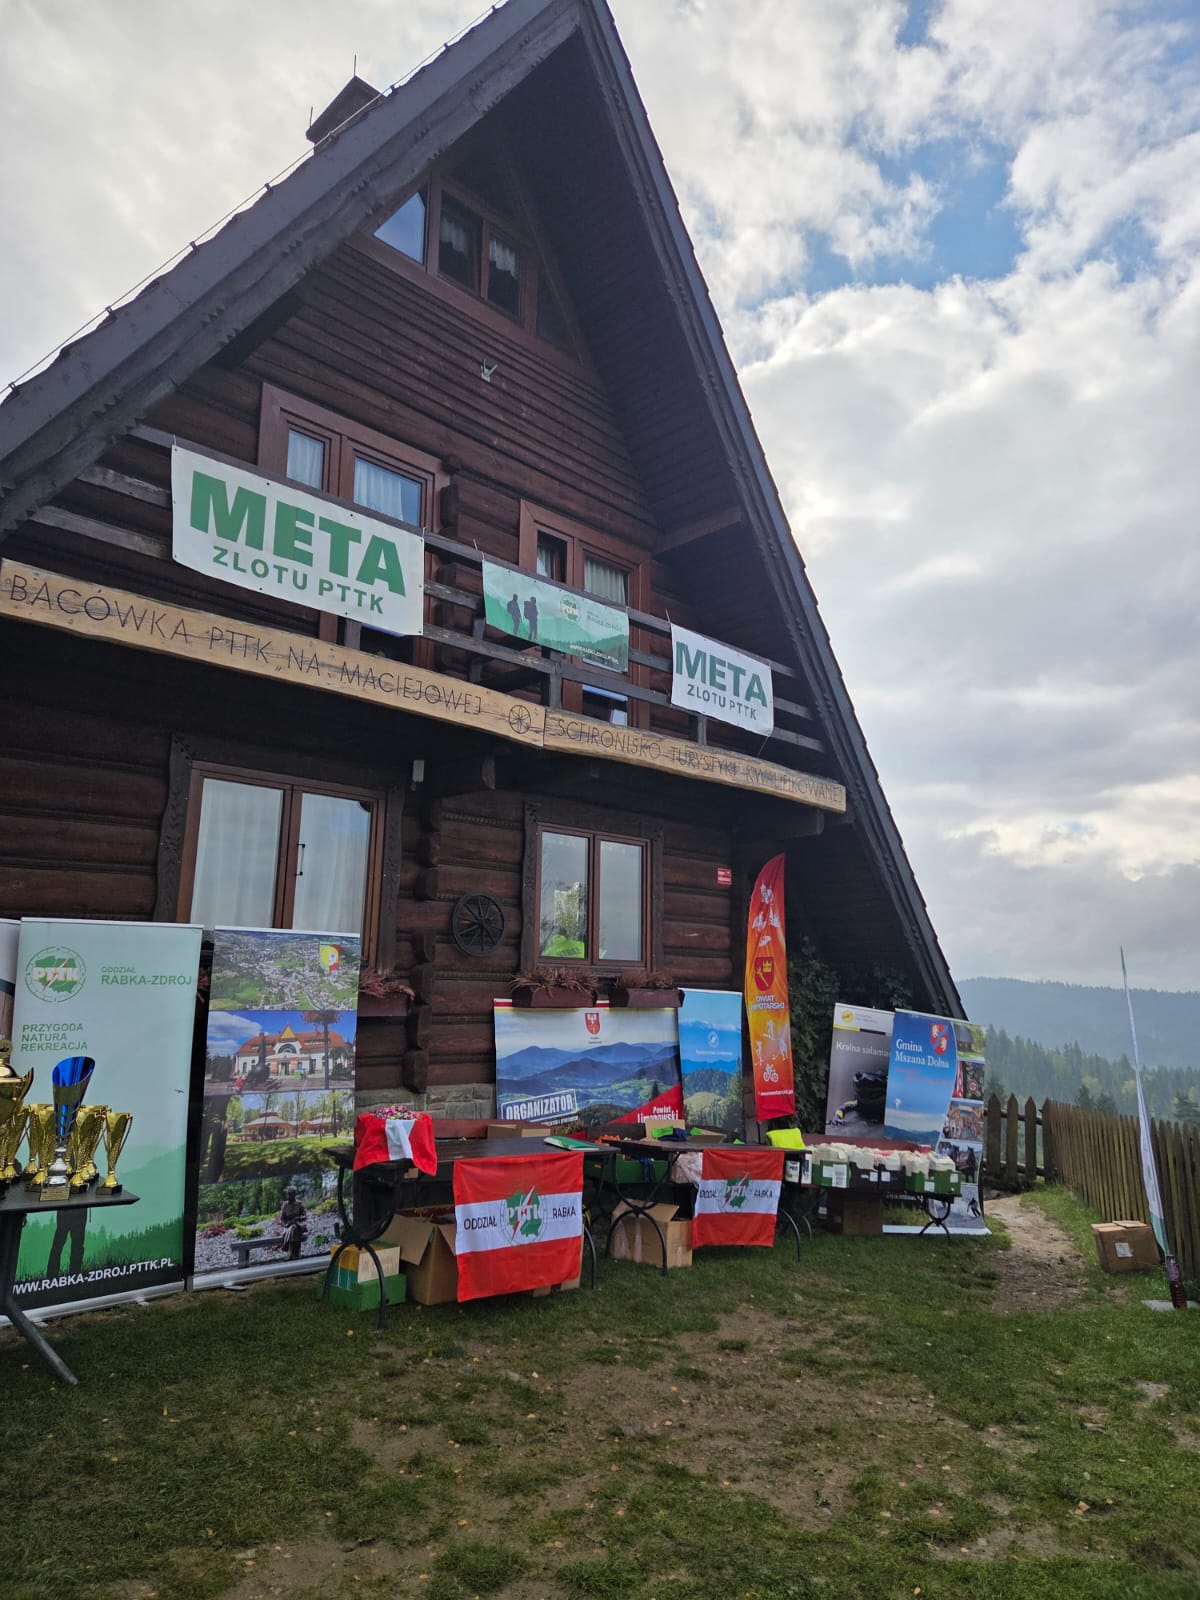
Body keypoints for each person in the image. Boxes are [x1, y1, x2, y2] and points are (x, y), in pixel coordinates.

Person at [275, 1184, 308, 1260]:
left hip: (299, 1225)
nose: (289, 1196)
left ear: (294, 1194)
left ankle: (289, 1252)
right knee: (293, 1229)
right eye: (288, 1194)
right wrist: (285, 1224)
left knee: (294, 1227)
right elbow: (282, 1219)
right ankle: (296, 1254)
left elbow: (304, 1216)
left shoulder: (299, 1204)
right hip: (288, 1227)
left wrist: (298, 1218)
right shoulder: (285, 1205)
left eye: (291, 1194)